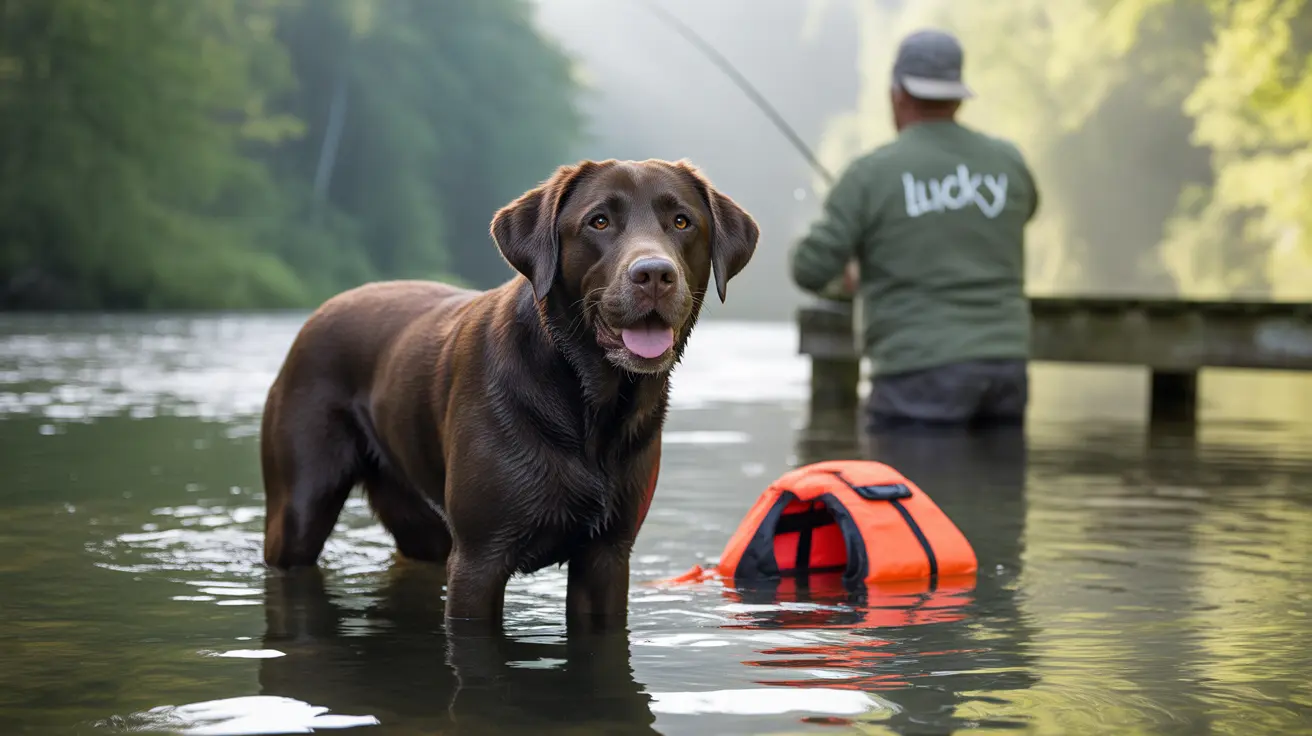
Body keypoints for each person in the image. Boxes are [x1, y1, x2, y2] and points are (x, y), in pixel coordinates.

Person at [790, 28, 1040, 430]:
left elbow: (809, 267)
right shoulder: (1008, 163)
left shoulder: (870, 175)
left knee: (909, 493)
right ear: (958, 95)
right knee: (998, 493)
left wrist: (855, 270)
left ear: (898, 94)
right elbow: (1021, 213)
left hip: (915, 375)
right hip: (1005, 371)